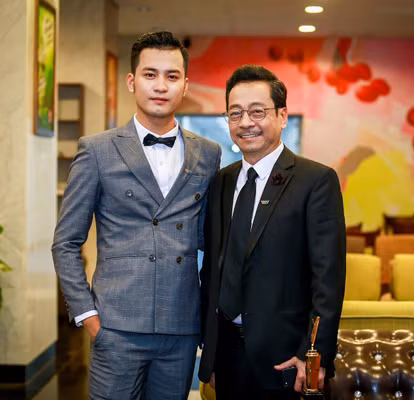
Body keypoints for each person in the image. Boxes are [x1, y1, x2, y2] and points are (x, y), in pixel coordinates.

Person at [52, 31, 221, 400]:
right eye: (150, 74)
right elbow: (65, 242)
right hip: (116, 326)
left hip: (181, 327)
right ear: (132, 81)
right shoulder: (96, 150)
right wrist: (88, 316)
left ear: (185, 85)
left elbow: (211, 239)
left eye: (172, 76)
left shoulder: (208, 154)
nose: (160, 85)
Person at [198, 64, 346, 400]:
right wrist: (210, 347)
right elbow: (213, 270)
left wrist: (313, 355)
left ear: (282, 116)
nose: (245, 122)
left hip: (287, 359)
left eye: (257, 111)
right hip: (227, 355)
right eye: (235, 113)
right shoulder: (221, 181)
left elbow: (328, 280)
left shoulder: (315, 181)